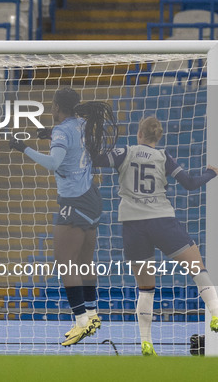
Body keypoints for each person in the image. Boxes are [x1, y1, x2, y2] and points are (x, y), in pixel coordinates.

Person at [92, 116, 218, 356]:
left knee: (146, 288)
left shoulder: (124, 152)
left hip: (132, 225)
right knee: (197, 269)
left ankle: (146, 341)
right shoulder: (163, 156)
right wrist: (210, 173)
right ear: (158, 137)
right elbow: (190, 183)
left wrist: (90, 140)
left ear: (139, 134)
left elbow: (95, 158)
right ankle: (215, 314)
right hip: (161, 221)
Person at [9, 87, 118, 346]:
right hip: (92, 196)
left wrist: (23, 148)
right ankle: (91, 314)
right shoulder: (82, 123)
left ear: (58, 107)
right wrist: (50, 135)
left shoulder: (62, 130)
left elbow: (54, 164)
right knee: (84, 261)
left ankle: (81, 322)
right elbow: (74, 146)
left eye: (53, 105)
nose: (51, 109)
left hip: (73, 200)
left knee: (66, 264)